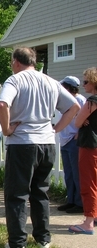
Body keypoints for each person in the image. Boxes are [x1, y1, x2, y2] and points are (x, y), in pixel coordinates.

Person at [0, 46, 80, 248]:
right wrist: (56, 129)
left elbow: (1, 104)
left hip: (23, 143)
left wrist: (7, 129)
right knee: (40, 192)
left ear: (16, 61)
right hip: (47, 144)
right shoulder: (51, 82)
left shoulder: (15, 80)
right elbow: (74, 106)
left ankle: (17, 243)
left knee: (17, 195)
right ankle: (43, 239)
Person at [69, 67, 97, 235]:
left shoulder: (92, 101)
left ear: (93, 82)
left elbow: (77, 123)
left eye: (85, 81)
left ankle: (88, 222)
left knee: (88, 183)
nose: (84, 85)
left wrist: (83, 118)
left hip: (89, 145)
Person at [57, 76, 86, 214]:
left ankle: (80, 203)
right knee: (68, 173)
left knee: (76, 173)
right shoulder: (64, 99)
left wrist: (79, 134)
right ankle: (71, 200)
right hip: (64, 140)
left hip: (74, 140)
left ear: (69, 87)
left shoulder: (80, 100)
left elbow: (87, 120)